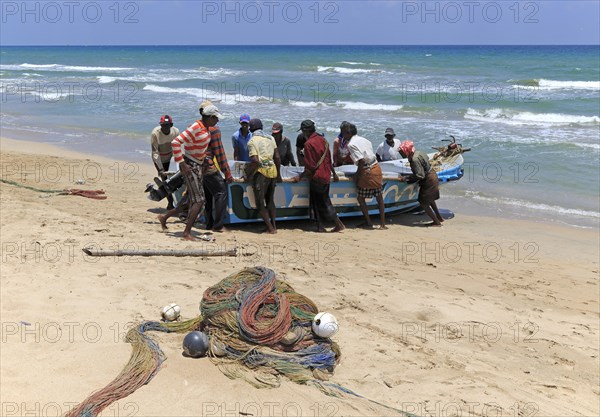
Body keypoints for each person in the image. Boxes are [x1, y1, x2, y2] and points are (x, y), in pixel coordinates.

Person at [157, 104, 222, 240]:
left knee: (190, 201)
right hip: (190, 165)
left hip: (197, 165)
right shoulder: (195, 127)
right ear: (209, 117)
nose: (217, 121)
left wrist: (203, 160)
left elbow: (199, 147)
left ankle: (164, 217)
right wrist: (181, 163)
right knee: (199, 201)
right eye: (215, 118)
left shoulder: (206, 128)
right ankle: (186, 233)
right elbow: (176, 143)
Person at [296, 119, 345, 233]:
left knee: (322, 202)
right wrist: (334, 173)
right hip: (326, 174)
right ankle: (321, 225)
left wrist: (300, 176)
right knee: (321, 200)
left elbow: (310, 166)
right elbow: (328, 159)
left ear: (305, 131)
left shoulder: (308, 144)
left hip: (316, 176)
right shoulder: (323, 140)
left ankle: (336, 224)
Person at [343, 123, 387, 230]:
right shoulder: (364, 139)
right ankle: (382, 224)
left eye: (343, 132)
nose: (342, 135)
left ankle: (368, 223)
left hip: (367, 171)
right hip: (376, 167)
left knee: (361, 198)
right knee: (379, 198)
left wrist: (356, 176)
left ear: (348, 133)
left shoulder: (351, 144)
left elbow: (361, 161)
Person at [200, 100, 234, 232]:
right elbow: (219, 153)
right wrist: (227, 173)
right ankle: (218, 225)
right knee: (221, 192)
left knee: (208, 194)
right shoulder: (213, 130)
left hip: (198, 165)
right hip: (208, 165)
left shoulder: (197, 126)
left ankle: (209, 223)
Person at [245, 118, 282, 234]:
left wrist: (248, 174)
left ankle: (270, 228)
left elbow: (255, 161)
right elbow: (277, 158)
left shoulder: (252, 141)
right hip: (273, 171)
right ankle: (274, 226)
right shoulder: (270, 138)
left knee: (260, 202)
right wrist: (278, 175)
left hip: (261, 173)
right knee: (270, 200)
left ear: (251, 129)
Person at [398, 140, 444, 227]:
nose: (401, 154)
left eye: (402, 152)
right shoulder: (419, 153)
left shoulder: (414, 160)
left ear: (406, 151)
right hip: (432, 175)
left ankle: (436, 222)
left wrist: (406, 178)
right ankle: (439, 217)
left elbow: (420, 176)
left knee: (423, 202)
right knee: (430, 199)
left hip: (428, 180)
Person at [150, 115, 180, 210]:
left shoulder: (175, 132)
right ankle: (170, 202)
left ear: (171, 125)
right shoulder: (155, 133)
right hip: (160, 159)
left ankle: (177, 200)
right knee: (164, 180)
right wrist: (160, 168)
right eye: (163, 125)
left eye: (167, 125)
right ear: (160, 125)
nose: (165, 127)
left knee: (177, 178)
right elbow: (155, 152)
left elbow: (178, 147)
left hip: (170, 156)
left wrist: (180, 162)